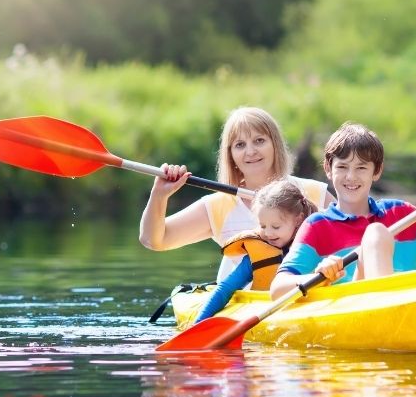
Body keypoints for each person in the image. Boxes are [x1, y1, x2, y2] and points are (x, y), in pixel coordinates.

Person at [270, 122, 416, 299]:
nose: (351, 177)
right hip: (362, 310)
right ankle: (388, 307)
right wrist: (319, 275)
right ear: (328, 169)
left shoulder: (400, 213)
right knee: (376, 234)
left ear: (377, 171)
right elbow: (277, 288)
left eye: (361, 168)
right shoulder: (317, 226)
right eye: (342, 167)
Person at [139, 107, 333, 280]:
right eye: (240, 145)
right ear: (230, 155)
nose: (250, 151)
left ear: (275, 145)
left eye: (259, 141)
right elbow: (153, 240)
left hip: (307, 295)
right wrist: (159, 196)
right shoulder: (218, 206)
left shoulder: (313, 193)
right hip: (243, 305)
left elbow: (356, 230)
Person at [192, 179, 317, 323]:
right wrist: (198, 323)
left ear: (298, 220)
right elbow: (226, 288)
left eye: (276, 227)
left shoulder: (315, 245)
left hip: (312, 308)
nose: (268, 233)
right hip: (270, 315)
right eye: (263, 226)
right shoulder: (257, 253)